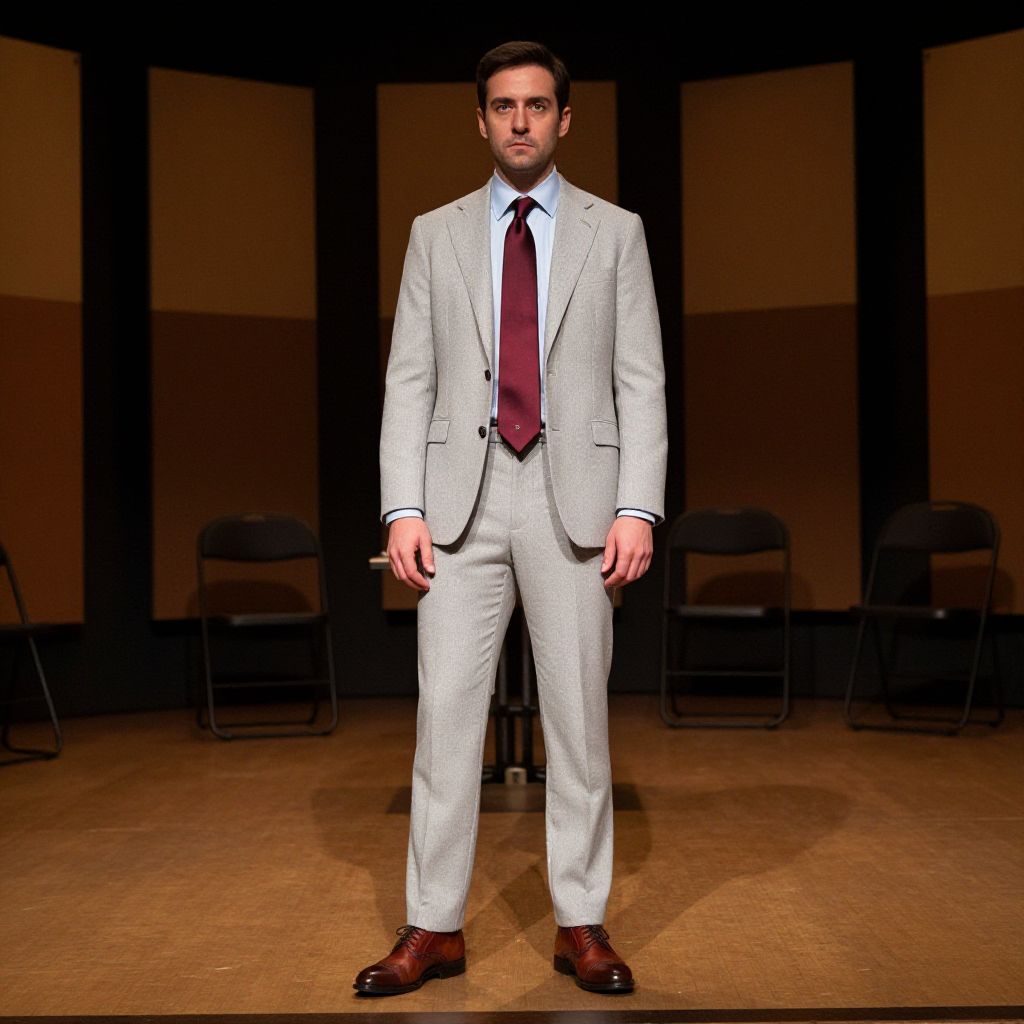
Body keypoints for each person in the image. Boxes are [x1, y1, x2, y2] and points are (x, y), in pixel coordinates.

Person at [356, 40, 667, 997]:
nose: (520, 120)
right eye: (503, 106)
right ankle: (433, 927)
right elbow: (409, 380)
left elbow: (641, 380)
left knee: (579, 727)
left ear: (564, 119)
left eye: (537, 105)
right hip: (462, 502)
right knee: (444, 724)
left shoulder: (617, 232)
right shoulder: (434, 233)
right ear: (481, 120)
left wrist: (638, 506)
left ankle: (581, 922)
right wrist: (402, 506)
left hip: (577, 500)